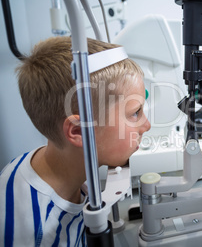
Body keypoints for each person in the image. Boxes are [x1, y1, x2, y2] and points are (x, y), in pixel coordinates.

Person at [0, 36, 151, 246]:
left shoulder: (66, 170)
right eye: (135, 113)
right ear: (79, 130)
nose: (147, 125)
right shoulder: (38, 234)